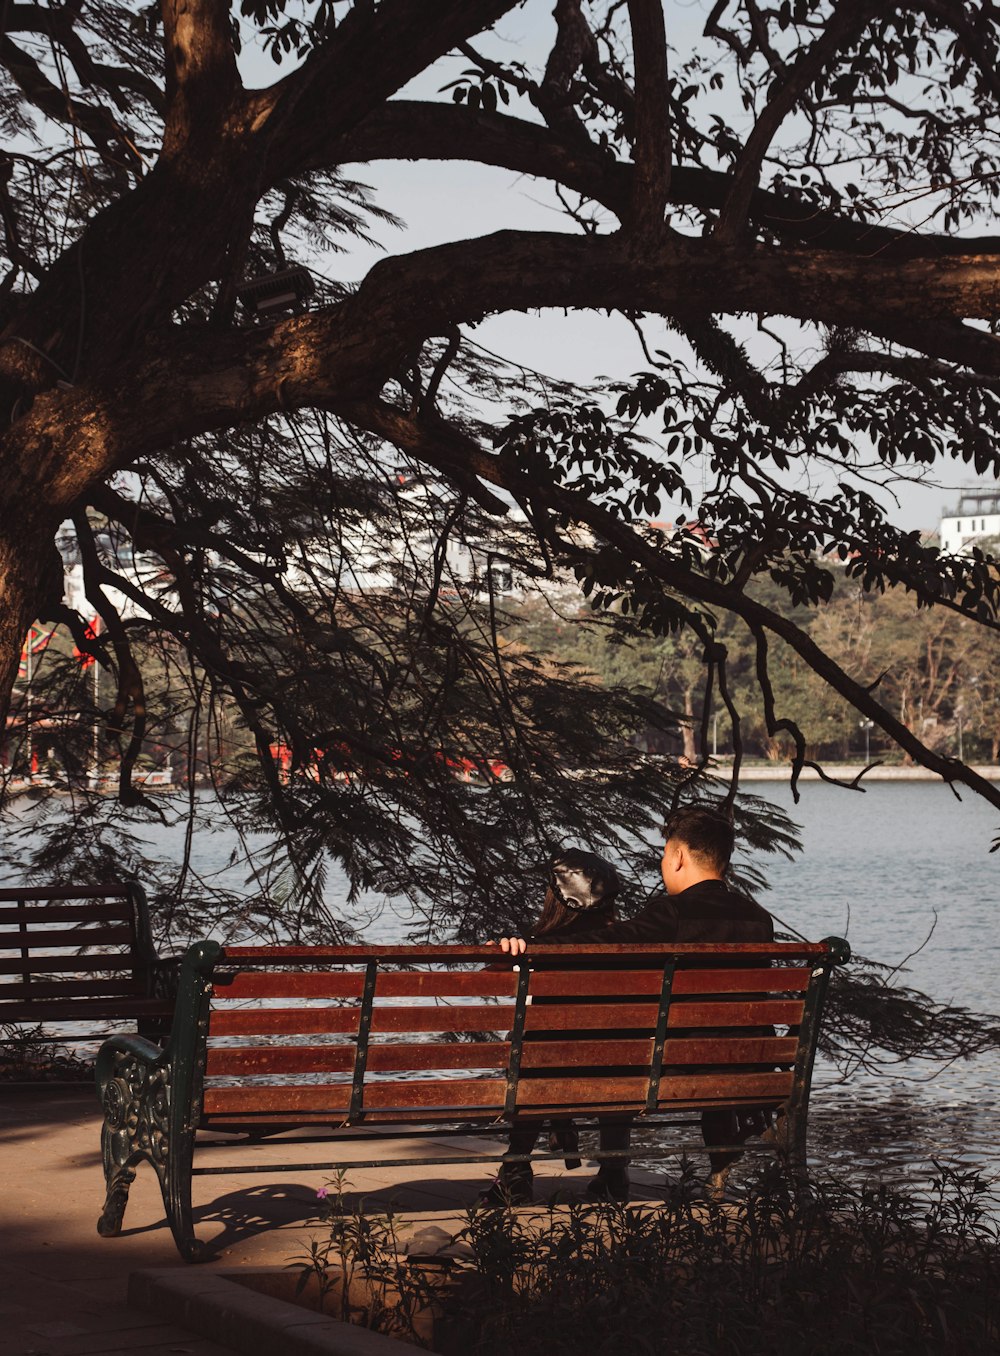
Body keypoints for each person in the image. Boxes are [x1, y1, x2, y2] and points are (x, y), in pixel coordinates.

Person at [498, 805, 774, 1200]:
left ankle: (521, 1167)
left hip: (673, 1066)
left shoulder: (672, 914)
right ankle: (719, 1171)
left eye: (664, 854)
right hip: (745, 1063)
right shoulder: (758, 919)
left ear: (678, 857)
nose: (664, 862)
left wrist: (534, 947)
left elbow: (607, 944)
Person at [480, 847, 622, 1207]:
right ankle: (614, 1170)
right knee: (619, 1050)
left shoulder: (537, 948)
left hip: (546, 1075)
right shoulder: (630, 944)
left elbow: (485, 976)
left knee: (532, 1047)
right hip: (619, 1076)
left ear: (555, 899)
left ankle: (516, 1169)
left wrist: (503, 951)